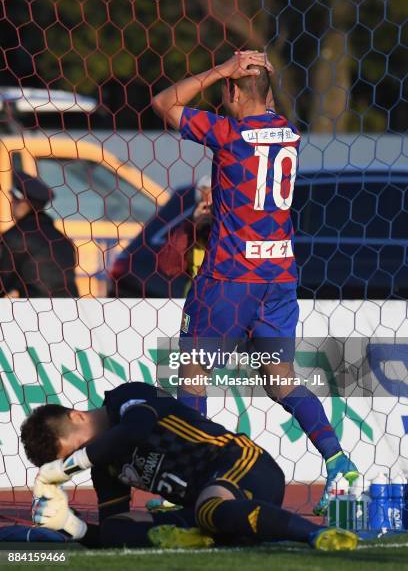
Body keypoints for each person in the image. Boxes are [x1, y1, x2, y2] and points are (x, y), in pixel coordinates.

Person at [152, 50, 358, 515]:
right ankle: (338, 461)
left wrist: (222, 68)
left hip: (230, 277)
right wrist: (255, 73)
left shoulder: (229, 134)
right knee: (278, 377)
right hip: (279, 277)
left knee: (194, 373)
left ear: (230, 92)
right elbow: (261, 104)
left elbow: (164, 102)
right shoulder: (289, 131)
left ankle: (186, 482)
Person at [20, 381, 357, 551]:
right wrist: (69, 524)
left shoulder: (126, 398)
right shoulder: (104, 465)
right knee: (118, 527)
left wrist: (68, 467)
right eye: (72, 460)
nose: (81, 460)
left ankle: (314, 534)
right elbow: (109, 535)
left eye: (76, 449)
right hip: (211, 505)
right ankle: (203, 536)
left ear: (77, 417)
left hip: (245, 465)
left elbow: (133, 431)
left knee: (210, 508)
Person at [0, 172, 78, 297]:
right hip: (70, 310)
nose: (12, 203)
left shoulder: (15, 237)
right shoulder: (62, 239)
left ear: (24, 203)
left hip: (34, 311)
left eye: (14, 199)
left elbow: (3, 283)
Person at [157, 176, 212, 295]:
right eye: (205, 207)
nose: (208, 211)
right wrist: (192, 225)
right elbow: (168, 267)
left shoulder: (232, 229)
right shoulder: (189, 230)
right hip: (197, 301)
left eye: (213, 207)